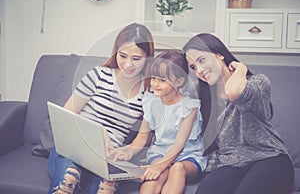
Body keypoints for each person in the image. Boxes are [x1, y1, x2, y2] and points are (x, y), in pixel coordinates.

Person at [47, 22, 154, 194]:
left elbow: (141, 139)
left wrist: (127, 153)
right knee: (69, 177)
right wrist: (97, 132)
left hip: (107, 158)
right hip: (76, 146)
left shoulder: (149, 90)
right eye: (123, 56)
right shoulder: (98, 75)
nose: (128, 64)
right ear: (115, 52)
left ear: (148, 57)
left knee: (103, 189)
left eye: (136, 59)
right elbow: (65, 117)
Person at [183, 33, 295, 194]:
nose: (199, 70)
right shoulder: (204, 97)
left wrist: (240, 68)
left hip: (269, 159)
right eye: (193, 67)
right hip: (231, 166)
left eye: (201, 60)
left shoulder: (258, 83)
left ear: (219, 54)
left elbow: (234, 92)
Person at [112, 50, 207, 194]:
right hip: (160, 152)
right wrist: (128, 152)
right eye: (154, 78)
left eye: (162, 80)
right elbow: (142, 138)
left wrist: (162, 165)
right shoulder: (151, 102)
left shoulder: (189, 106)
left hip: (188, 156)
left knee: (176, 168)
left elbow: (179, 145)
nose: (155, 84)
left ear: (179, 81)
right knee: (156, 170)